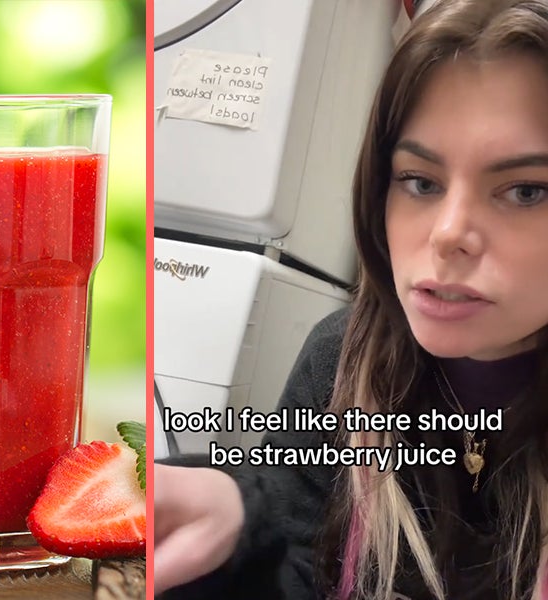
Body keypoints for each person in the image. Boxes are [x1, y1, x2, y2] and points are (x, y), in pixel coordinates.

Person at [154, 1, 548, 599]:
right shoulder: (340, 360)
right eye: (420, 181)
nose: (447, 234)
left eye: (524, 191)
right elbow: (298, 553)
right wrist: (240, 529)